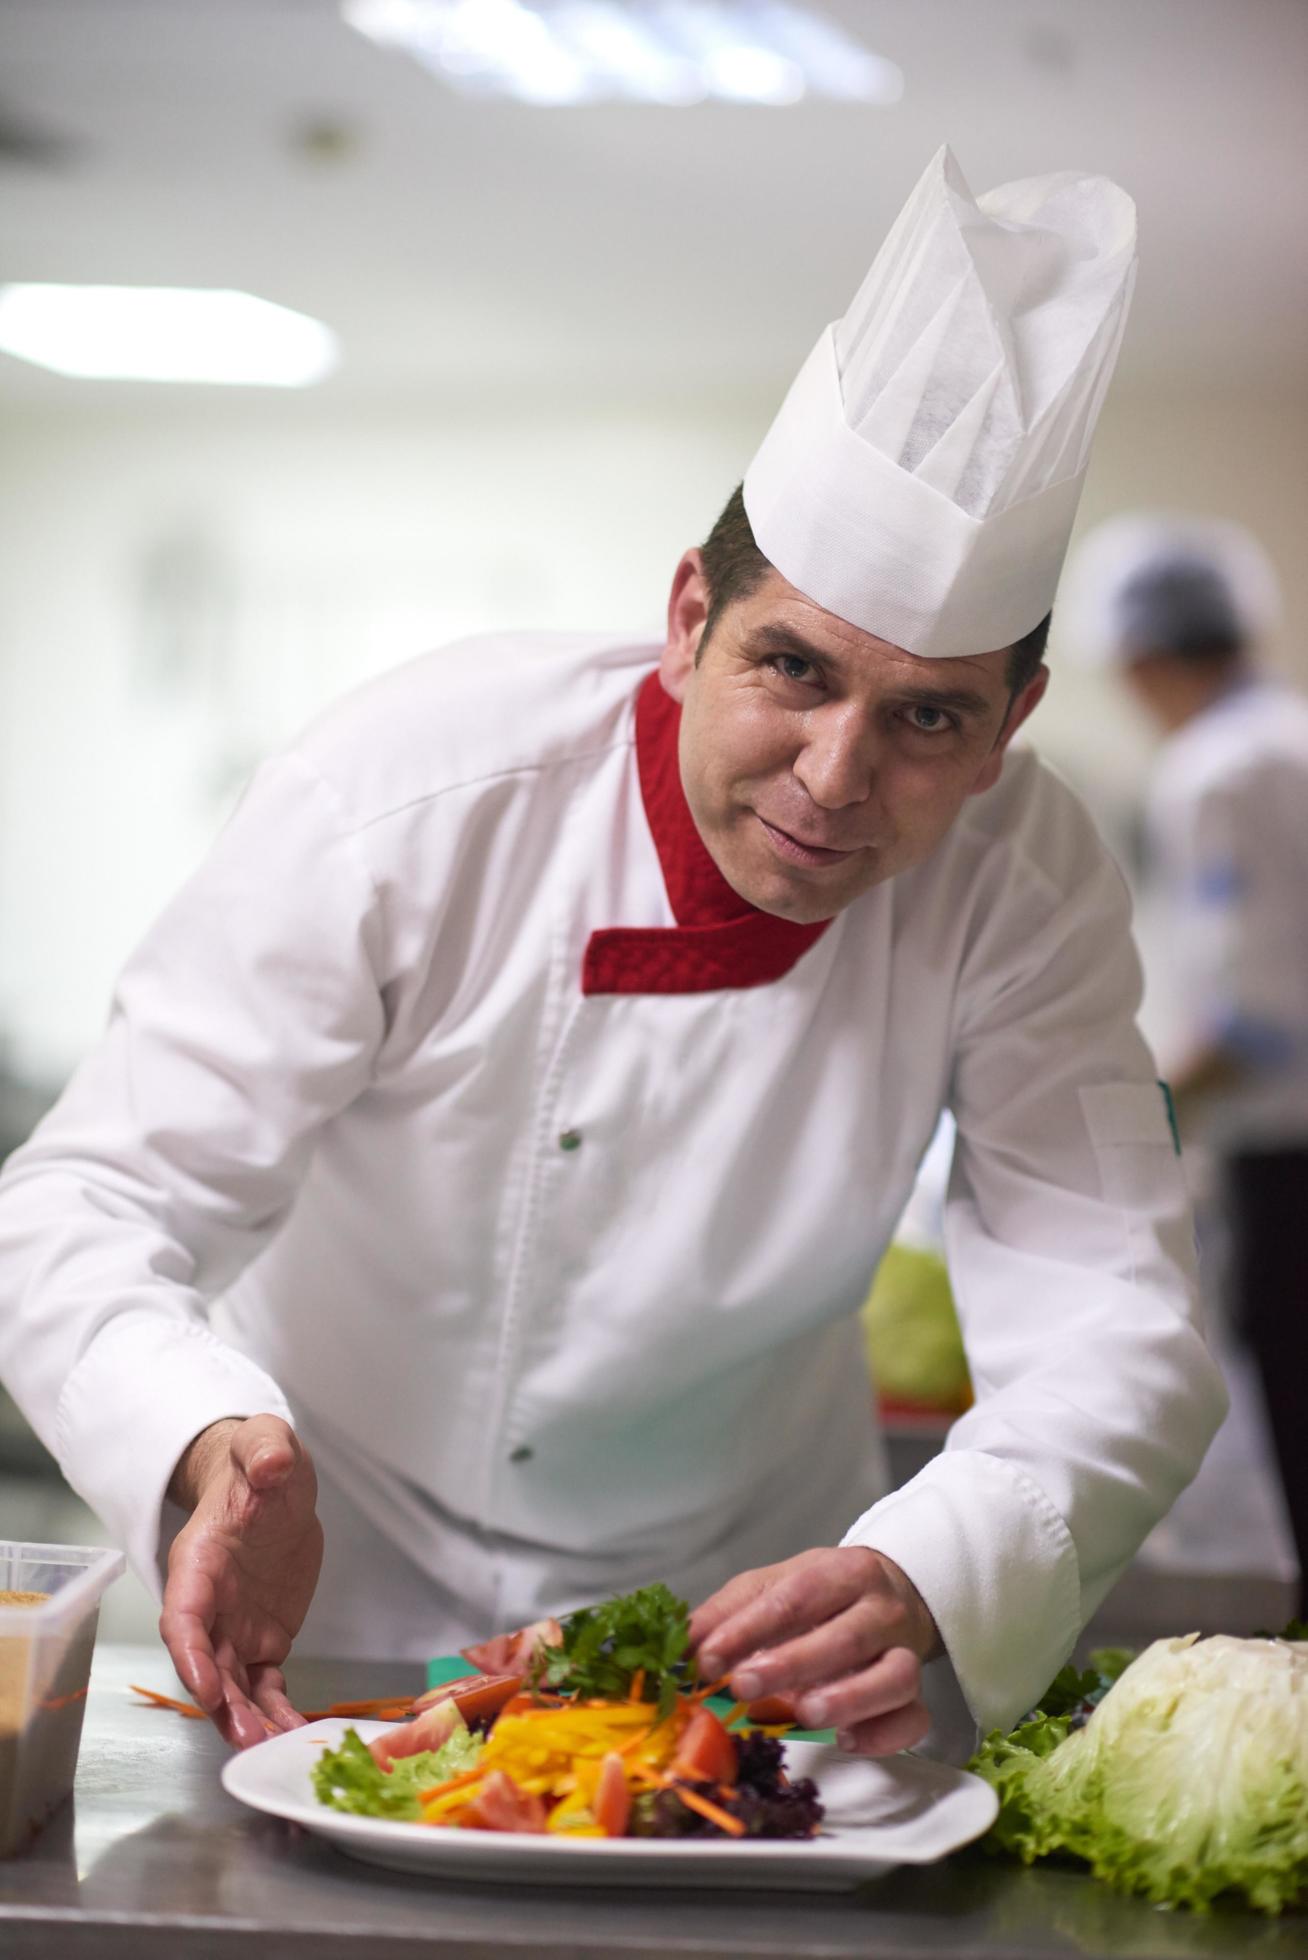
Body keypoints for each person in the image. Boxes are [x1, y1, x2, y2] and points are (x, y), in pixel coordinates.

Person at [0, 149, 1227, 1755]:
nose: (837, 775)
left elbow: (1113, 1309)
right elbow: (84, 1202)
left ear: (1016, 725)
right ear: (683, 622)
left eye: (930, 714)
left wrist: (933, 1566)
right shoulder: (411, 791)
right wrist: (204, 1435)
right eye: (792, 669)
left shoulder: (1026, 876)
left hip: (746, 1641)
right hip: (324, 1616)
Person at [1070, 513, 1308, 1619]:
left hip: (1286, 1155)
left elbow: (1255, 1013)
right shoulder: (1289, 735)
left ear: (1142, 660)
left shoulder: (1218, 768)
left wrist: (1125, 1128)